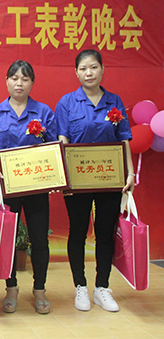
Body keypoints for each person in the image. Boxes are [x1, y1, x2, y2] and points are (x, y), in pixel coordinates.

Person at [55, 49, 134, 313]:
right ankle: (80, 286)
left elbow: (124, 139)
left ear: (102, 69)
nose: (88, 73)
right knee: (78, 231)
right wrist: (63, 178)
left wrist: (130, 173)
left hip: (109, 179)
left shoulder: (114, 101)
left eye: (93, 67)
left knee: (105, 233)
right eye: (83, 69)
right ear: (76, 73)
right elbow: (62, 140)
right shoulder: (67, 103)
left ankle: (102, 287)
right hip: (77, 181)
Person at [0, 60, 55, 315]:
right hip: (6, 187)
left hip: (36, 188)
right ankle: (11, 287)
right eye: (14, 78)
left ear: (32, 83)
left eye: (24, 79)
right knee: (7, 240)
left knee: (39, 240)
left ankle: (40, 289)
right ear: (7, 81)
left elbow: (54, 149)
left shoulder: (44, 112)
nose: (19, 83)